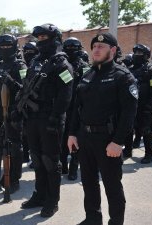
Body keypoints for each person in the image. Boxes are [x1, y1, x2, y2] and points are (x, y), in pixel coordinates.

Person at [68, 32, 138, 225]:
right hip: (85, 137)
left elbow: (129, 113)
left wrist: (118, 142)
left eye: (101, 47)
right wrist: (72, 133)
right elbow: (76, 107)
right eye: (94, 47)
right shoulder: (87, 74)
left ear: (113, 50)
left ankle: (116, 222)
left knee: (112, 185)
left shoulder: (122, 76)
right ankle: (92, 218)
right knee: (88, 183)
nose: (96, 50)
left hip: (108, 140)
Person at [19, 23, 73, 218]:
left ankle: (52, 200)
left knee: (51, 161)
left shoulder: (62, 63)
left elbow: (66, 95)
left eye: (45, 38)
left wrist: (55, 118)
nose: (41, 41)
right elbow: (26, 86)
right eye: (39, 38)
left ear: (55, 38)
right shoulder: (35, 61)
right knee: (37, 158)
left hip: (51, 118)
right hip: (33, 117)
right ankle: (39, 195)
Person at [0, 34, 26, 194]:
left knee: (14, 147)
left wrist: (12, 82)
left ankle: (14, 179)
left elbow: (26, 89)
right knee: (2, 145)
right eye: (1, 46)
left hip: (14, 112)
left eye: (7, 46)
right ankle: (4, 176)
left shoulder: (20, 65)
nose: (4, 49)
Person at [123, 44, 152, 164]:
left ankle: (149, 154)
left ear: (146, 55)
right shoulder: (130, 69)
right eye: (135, 53)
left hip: (145, 105)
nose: (136, 55)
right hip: (131, 105)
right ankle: (127, 150)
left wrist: (150, 105)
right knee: (128, 129)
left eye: (139, 53)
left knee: (146, 130)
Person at [61, 36, 89, 180]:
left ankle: (73, 167)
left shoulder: (85, 67)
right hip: (63, 106)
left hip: (78, 108)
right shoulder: (61, 65)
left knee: (75, 138)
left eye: (74, 48)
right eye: (68, 48)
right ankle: (63, 165)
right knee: (62, 138)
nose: (70, 51)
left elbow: (88, 88)